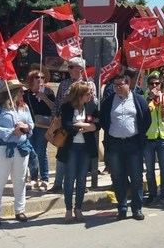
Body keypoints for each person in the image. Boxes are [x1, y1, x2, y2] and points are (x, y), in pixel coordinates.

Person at [100, 74, 151, 221]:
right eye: (115, 85)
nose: (117, 87)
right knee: (117, 177)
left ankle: (137, 208)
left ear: (128, 84)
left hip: (133, 144)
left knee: (136, 177)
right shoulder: (108, 101)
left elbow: (146, 120)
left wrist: (137, 135)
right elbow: (104, 120)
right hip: (115, 144)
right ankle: (122, 208)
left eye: (120, 84)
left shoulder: (139, 100)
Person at [0, 80, 34, 226]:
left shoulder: (24, 107)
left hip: (21, 147)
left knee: (20, 180)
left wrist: (26, 127)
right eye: (20, 91)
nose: (22, 93)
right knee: (0, 179)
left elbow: (31, 125)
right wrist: (10, 131)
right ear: (11, 92)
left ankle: (19, 210)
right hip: (2, 147)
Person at [49, 57, 95, 193]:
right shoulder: (64, 84)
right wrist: (55, 120)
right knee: (62, 154)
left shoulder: (89, 84)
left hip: (82, 125)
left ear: (80, 69)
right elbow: (57, 103)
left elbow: (94, 104)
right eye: (68, 67)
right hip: (65, 124)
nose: (68, 70)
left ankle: (81, 183)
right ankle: (58, 183)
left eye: (71, 67)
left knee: (82, 156)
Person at [58, 82, 99, 222]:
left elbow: (98, 123)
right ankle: (68, 209)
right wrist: (86, 126)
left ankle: (79, 209)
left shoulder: (92, 106)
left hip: (86, 148)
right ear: (80, 95)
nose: (90, 96)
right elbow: (67, 125)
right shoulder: (67, 107)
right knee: (69, 179)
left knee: (82, 180)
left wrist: (89, 126)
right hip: (71, 147)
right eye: (88, 93)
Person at [143, 75, 164, 205]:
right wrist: (149, 98)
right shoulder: (144, 98)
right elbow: (142, 113)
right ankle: (152, 194)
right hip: (149, 137)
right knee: (150, 170)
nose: (154, 86)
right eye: (152, 83)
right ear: (148, 85)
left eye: (157, 83)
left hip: (163, 137)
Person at [23, 70, 55, 191]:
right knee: (31, 152)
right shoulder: (26, 94)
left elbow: (55, 108)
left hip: (44, 127)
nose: (40, 79)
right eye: (37, 77)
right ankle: (34, 178)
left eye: (42, 77)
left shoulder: (48, 92)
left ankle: (45, 178)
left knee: (41, 151)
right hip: (30, 126)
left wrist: (45, 98)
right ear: (31, 79)